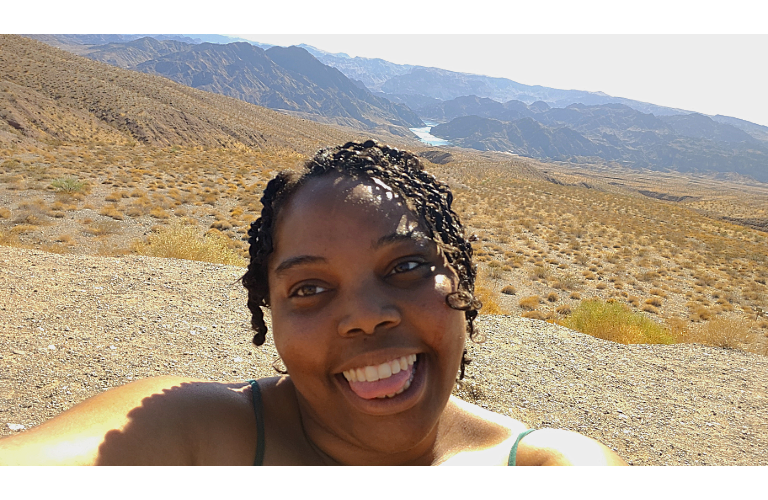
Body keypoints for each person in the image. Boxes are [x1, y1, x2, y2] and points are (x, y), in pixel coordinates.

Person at [0, 140, 627, 466]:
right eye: (310, 289)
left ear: (460, 283)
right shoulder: (192, 436)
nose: (365, 315)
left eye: (406, 267)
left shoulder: (548, 463)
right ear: (271, 317)